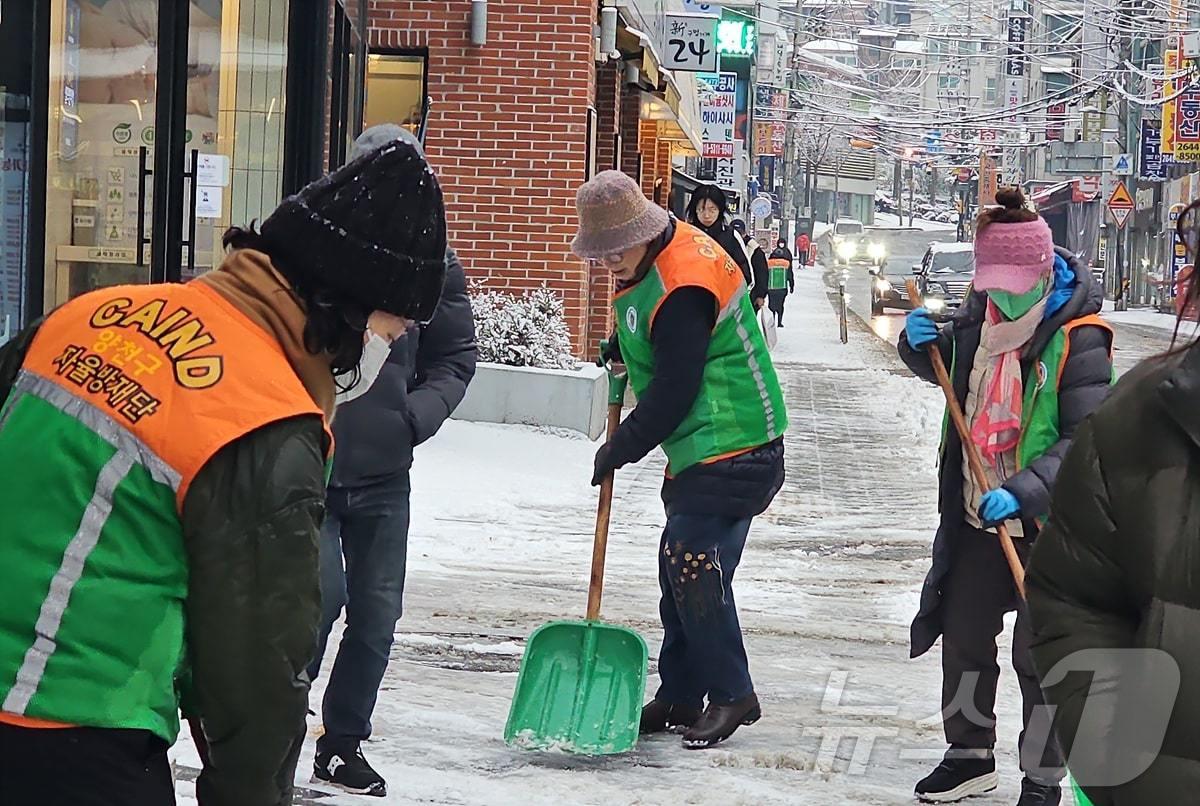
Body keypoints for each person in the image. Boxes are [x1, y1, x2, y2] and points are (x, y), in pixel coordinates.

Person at [0, 140, 448, 806]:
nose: (393, 343)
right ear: (345, 307)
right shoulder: (261, 416)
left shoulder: (88, 316)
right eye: (392, 326)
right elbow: (256, 670)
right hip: (75, 730)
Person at [898, 188, 1115, 806]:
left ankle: (1043, 778)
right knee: (965, 637)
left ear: (1043, 273)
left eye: (1010, 285)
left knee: (1039, 656)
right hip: (976, 517)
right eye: (990, 283)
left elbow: (1085, 439)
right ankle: (968, 755)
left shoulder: (1081, 339)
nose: (998, 296)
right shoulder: (977, 322)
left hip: (1055, 529)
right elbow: (945, 370)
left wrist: (1024, 491)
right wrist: (919, 345)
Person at [573, 171, 788, 750]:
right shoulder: (652, 261)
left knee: (693, 565)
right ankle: (680, 693)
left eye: (616, 248)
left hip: (736, 443)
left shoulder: (685, 281)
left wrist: (621, 446)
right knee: (683, 568)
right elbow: (657, 334)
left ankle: (732, 693)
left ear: (641, 231)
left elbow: (676, 388)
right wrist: (626, 343)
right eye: (602, 252)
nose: (609, 261)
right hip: (705, 449)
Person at [306, 124, 478, 798]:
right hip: (309, 465)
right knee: (317, 599)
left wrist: (416, 417)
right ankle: (279, 721)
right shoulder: (315, 253)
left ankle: (341, 741)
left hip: (384, 473)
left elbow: (455, 358)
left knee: (377, 614)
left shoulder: (432, 264)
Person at [1025, 198, 1200, 806]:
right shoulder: (1149, 416)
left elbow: (1069, 426)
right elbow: (1076, 607)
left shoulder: (1080, 339)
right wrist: (1121, 759)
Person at [686, 184, 753, 287]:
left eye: (712, 210)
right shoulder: (686, 235)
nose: (706, 215)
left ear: (720, 210)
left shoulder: (731, 236)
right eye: (701, 209)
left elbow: (745, 275)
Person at [730, 219, 769, 310]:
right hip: (729, 294)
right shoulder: (725, 244)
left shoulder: (754, 249)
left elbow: (762, 273)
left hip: (750, 295)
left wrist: (760, 295)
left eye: (740, 233)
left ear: (744, 233)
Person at [766, 242, 796, 327]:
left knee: (771, 305)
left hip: (771, 288)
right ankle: (779, 322)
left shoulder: (768, 263)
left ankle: (772, 321)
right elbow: (790, 275)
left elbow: (764, 274)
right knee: (780, 305)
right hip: (782, 288)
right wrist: (791, 285)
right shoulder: (786, 263)